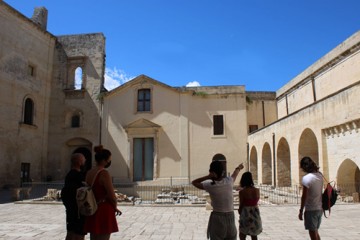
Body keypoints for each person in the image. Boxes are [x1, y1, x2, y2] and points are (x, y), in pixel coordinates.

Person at [192, 160, 244, 240]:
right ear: (223, 172)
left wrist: (208, 176)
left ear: (211, 172)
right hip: (230, 217)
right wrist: (239, 167)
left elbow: (194, 182)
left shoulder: (210, 185)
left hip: (217, 218)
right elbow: (235, 173)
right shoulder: (229, 181)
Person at [84, 145, 122, 240]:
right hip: (103, 208)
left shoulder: (89, 172)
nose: (109, 161)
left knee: (94, 237)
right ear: (105, 160)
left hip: (93, 207)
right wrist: (115, 207)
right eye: (109, 159)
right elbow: (111, 195)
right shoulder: (104, 173)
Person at [61, 153, 87, 240]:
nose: (85, 162)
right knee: (78, 234)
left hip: (70, 210)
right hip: (77, 210)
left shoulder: (69, 175)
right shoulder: (78, 176)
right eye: (83, 161)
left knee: (70, 232)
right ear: (79, 162)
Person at [298, 156, 323, 240]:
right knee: (315, 232)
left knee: (313, 235)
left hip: (311, 209)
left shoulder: (306, 178)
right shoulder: (320, 175)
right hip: (319, 208)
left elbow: (304, 196)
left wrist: (301, 210)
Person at [238, 171, 262, 240]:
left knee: (242, 234)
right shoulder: (257, 190)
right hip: (255, 213)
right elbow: (256, 201)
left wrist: (239, 211)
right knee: (254, 235)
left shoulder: (242, 192)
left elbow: (241, 204)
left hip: (246, 213)